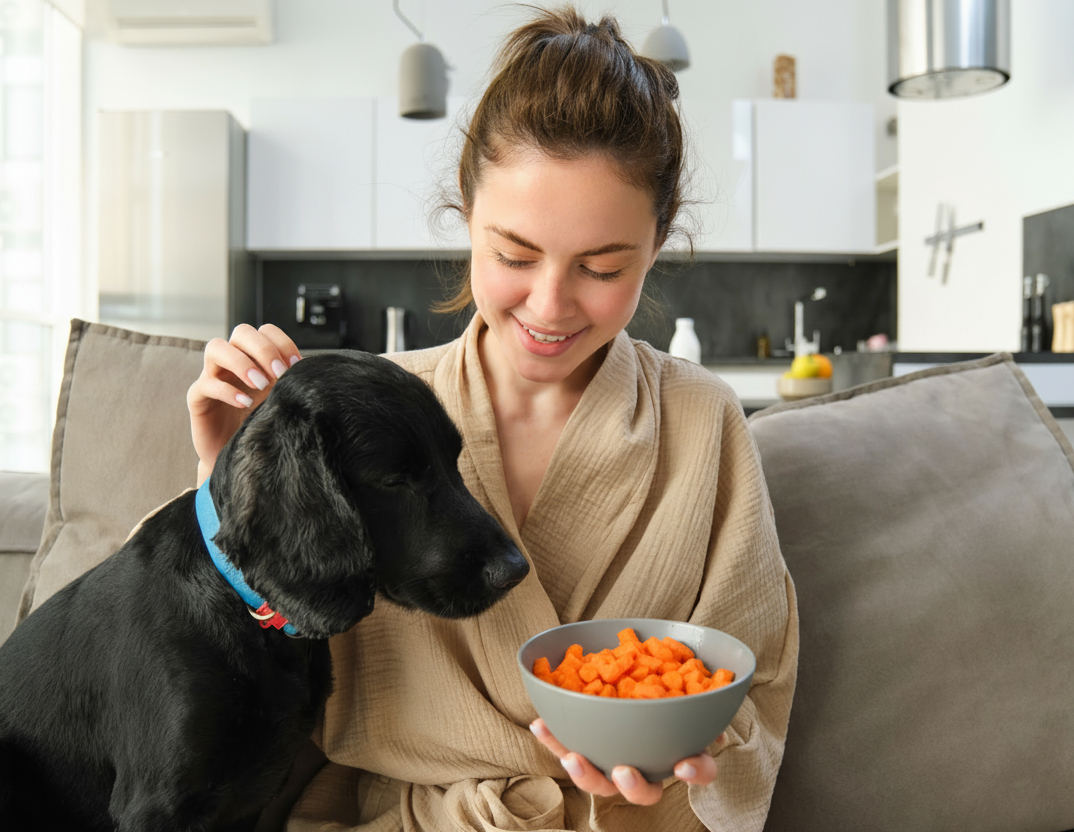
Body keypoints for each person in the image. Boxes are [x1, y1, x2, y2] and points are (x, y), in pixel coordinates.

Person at [187, 7, 798, 831]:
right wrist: (228, 486)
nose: (549, 304)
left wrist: (696, 752)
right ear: (466, 217)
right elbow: (207, 671)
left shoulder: (703, 422)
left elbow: (747, 683)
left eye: (603, 266)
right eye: (513, 256)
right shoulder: (356, 420)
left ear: (657, 244)